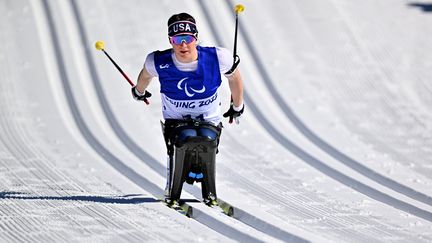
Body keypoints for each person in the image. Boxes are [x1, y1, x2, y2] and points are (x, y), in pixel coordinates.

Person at [131, 13, 244, 205]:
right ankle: (174, 190)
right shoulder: (157, 61)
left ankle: (209, 191)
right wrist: (139, 91)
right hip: (177, 121)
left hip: (209, 118)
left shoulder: (218, 57)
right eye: (177, 40)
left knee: (207, 140)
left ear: (195, 38)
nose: (183, 45)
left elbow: (235, 78)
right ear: (170, 40)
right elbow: (145, 76)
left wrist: (237, 106)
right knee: (186, 138)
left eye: (188, 39)